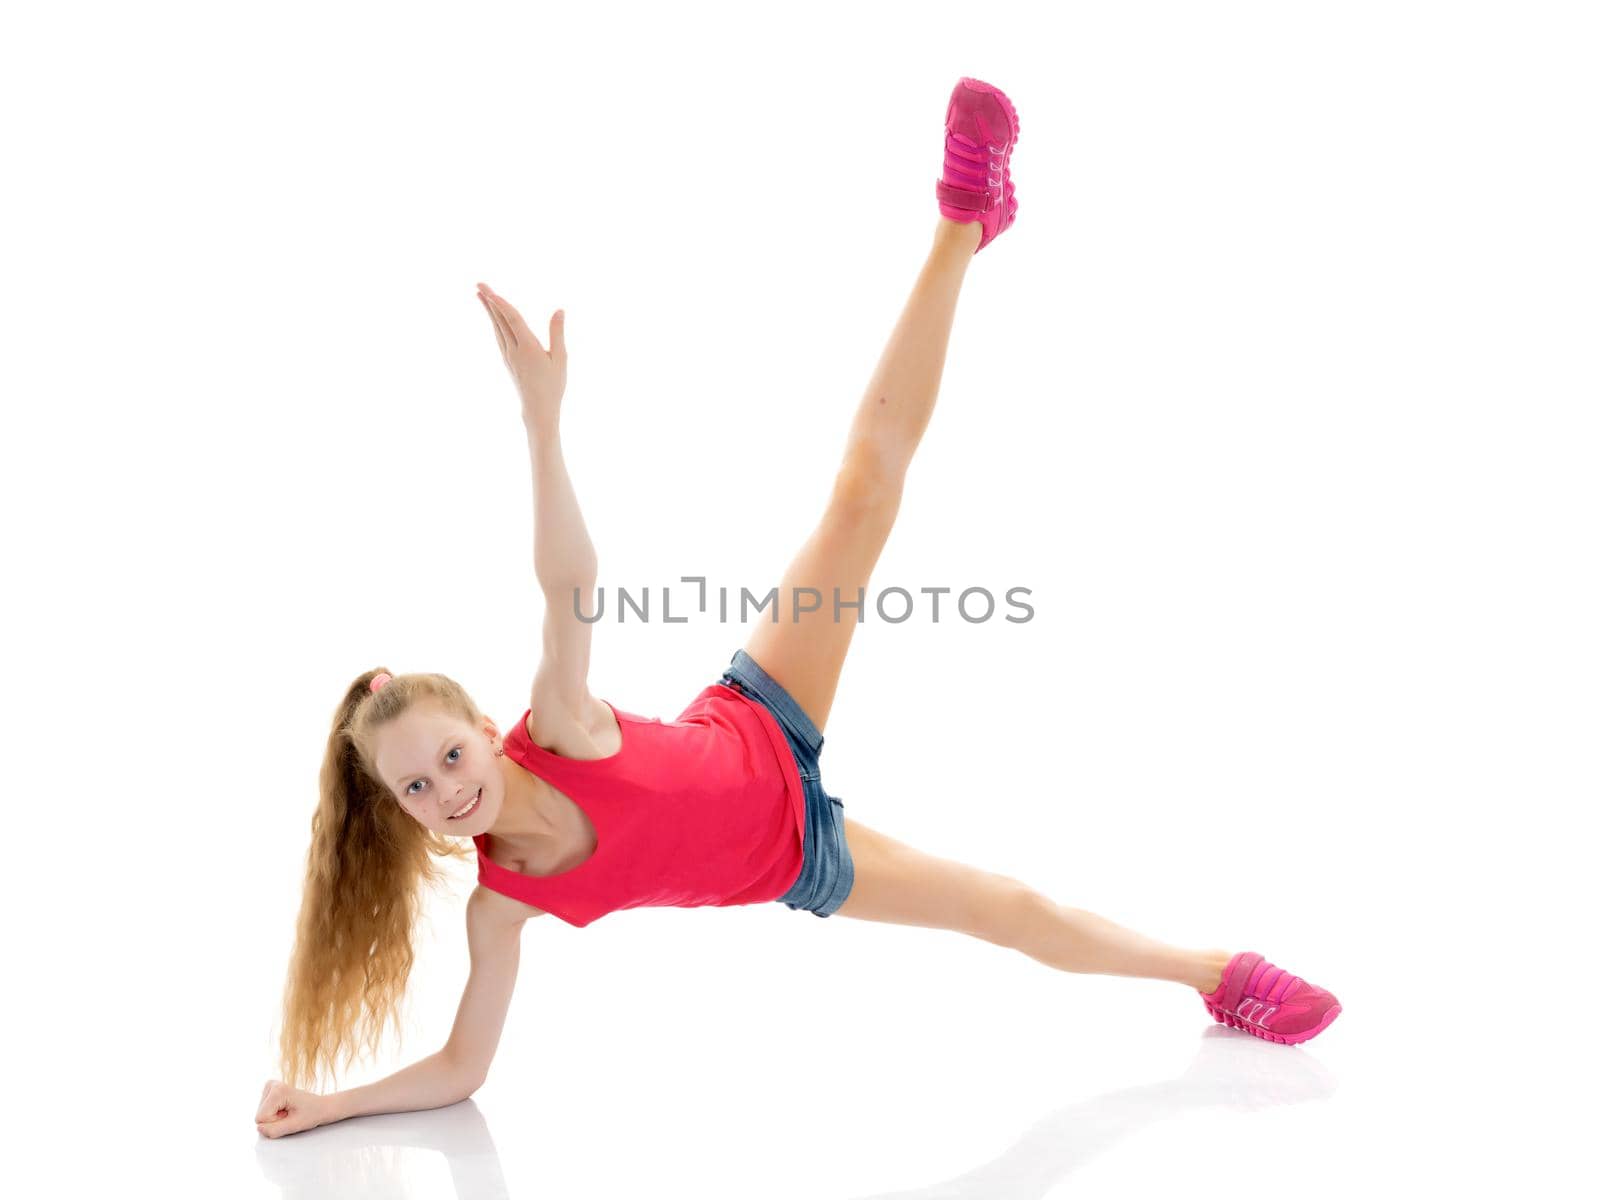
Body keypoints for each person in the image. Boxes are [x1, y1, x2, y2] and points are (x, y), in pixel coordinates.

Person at [256, 77, 1340, 1140]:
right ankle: (1217, 975)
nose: (443, 789)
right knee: (1006, 910)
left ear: (482, 733)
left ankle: (962, 218)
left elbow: (566, 586)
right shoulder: (502, 907)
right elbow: (460, 1069)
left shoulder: (558, 728)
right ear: (397, 809)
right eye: (415, 785)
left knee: (862, 493)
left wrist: (542, 423)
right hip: (800, 853)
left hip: (754, 712)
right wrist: (331, 1104)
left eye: (447, 757)